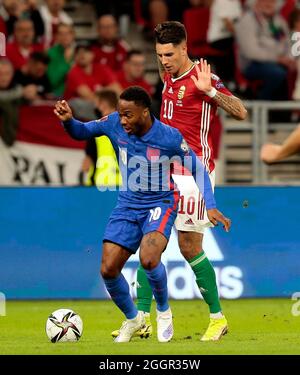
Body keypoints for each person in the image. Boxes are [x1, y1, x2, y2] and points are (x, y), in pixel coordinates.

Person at [54, 86, 231, 342]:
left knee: (149, 258)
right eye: (120, 114)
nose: (123, 120)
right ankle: (133, 319)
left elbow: (197, 168)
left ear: (145, 113)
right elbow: (82, 132)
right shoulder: (114, 123)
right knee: (108, 269)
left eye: (129, 115)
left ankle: (163, 311)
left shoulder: (169, 137)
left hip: (160, 202)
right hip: (127, 205)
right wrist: (69, 121)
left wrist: (211, 205)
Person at [112, 21, 247, 342]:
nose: (164, 60)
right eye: (159, 54)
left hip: (193, 174)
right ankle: (142, 318)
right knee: (150, 241)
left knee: (189, 247)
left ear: (185, 49)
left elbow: (241, 112)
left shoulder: (204, 78)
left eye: (170, 54)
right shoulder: (167, 76)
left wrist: (210, 91)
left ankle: (217, 318)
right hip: (162, 172)